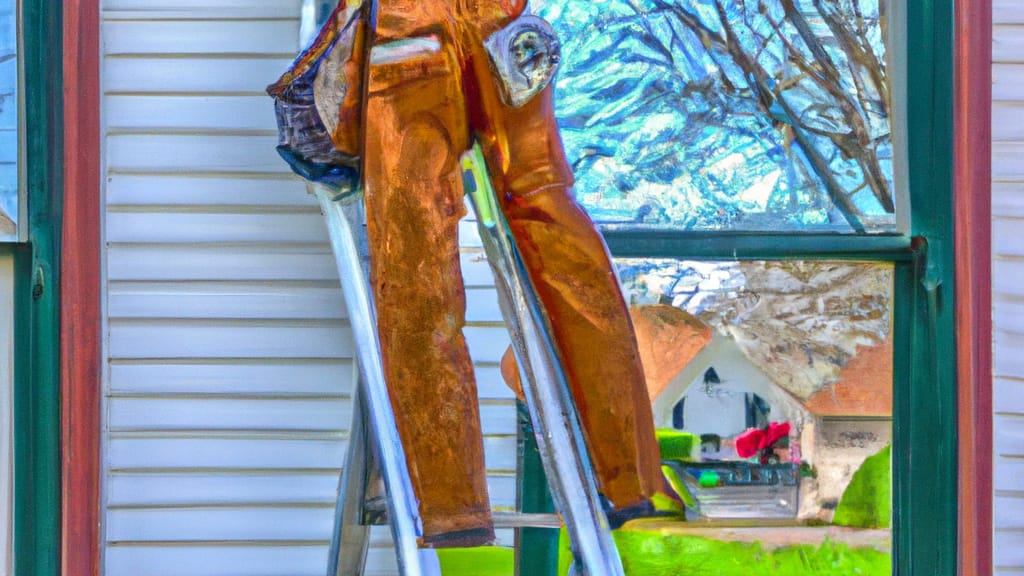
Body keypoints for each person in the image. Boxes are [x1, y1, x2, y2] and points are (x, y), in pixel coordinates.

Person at [268, 0, 681, 548]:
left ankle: (452, 507)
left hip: (407, 39)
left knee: (416, 267)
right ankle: (629, 481)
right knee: (556, 230)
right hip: (502, 32)